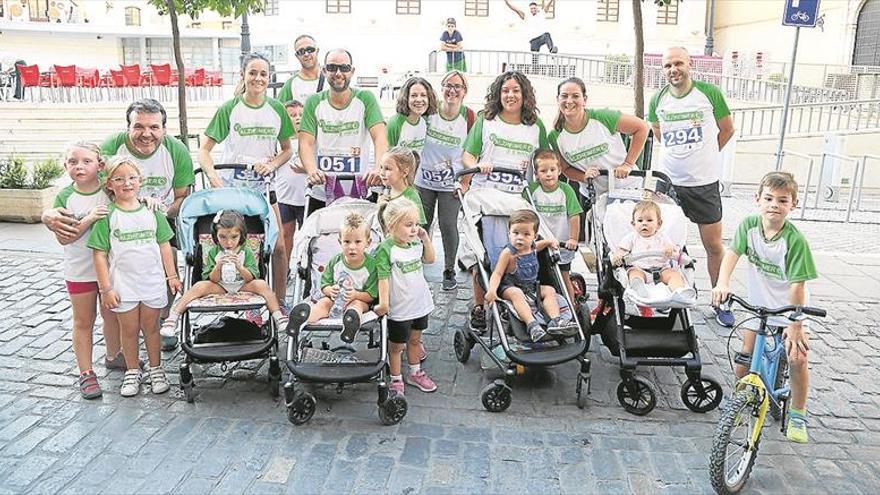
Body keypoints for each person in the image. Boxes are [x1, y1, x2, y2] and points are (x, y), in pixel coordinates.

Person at [42, 98, 195, 352]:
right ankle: (126, 337)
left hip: (159, 216)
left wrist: (153, 214)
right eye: (139, 127)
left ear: (164, 129)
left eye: (154, 127)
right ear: (128, 128)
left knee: (164, 264)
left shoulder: (176, 151)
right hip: (116, 221)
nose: (146, 134)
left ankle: (162, 321)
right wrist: (47, 213)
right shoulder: (112, 147)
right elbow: (85, 185)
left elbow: (182, 196)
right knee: (120, 276)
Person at [711, 172, 817, 443]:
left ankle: (797, 413)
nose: (774, 205)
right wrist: (722, 283)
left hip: (791, 308)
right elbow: (732, 254)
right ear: (757, 200)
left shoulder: (794, 241)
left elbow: (797, 287)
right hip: (758, 306)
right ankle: (739, 399)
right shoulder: (749, 227)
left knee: (797, 357)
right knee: (745, 354)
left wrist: (795, 323)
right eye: (768, 198)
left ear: (793, 204)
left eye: (783, 200)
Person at [648, 46, 735, 327]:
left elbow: (727, 129)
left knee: (713, 245)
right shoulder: (657, 99)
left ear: (689, 65)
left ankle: (721, 301)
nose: (673, 70)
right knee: (664, 245)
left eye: (678, 63)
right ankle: (666, 295)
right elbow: (659, 133)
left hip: (704, 183)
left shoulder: (709, 93)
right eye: (667, 65)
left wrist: (707, 156)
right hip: (670, 183)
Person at [199, 53, 294, 310]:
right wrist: (214, 177)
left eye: (263, 74)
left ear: (269, 78)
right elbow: (204, 150)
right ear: (243, 75)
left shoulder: (276, 109)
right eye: (252, 73)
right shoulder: (230, 109)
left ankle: (280, 300)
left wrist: (272, 163)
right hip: (234, 191)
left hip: (264, 188)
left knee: (279, 247)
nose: (258, 78)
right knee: (236, 241)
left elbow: (287, 149)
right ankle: (230, 293)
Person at [462, 70, 548, 331]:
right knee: (485, 253)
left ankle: (530, 297)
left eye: (516, 90)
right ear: (499, 94)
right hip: (486, 197)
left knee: (526, 249)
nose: (510, 95)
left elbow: (544, 159)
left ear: (524, 95)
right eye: (506, 90)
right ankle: (480, 306)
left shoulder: (535, 127)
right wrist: (478, 165)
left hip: (516, 200)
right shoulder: (486, 121)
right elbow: (467, 156)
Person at [87, 158, 181, 397]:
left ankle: (156, 369)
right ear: (109, 184)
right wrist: (105, 289)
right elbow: (99, 255)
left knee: (151, 328)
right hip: (123, 284)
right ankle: (132, 370)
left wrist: (171, 276)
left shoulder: (152, 211)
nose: (126, 183)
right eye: (119, 179)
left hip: (151, 281)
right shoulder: (107, 216)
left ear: (140, 181)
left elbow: (163, 246)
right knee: (128, 330)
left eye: (131, 178)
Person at [52, 142, 115, 398]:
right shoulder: (64, 197)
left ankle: (115, 354)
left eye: (86, 161)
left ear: (99, 164)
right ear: (65, 166)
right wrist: (89, 217)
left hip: (111, 269)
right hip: (80, 269)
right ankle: (86, 372)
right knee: (83, 321)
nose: (79, 166)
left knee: (112, 315)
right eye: (72, 161)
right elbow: (64, 238)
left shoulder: (109, 188)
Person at [161, 210, 289, 336]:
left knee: (261, 285)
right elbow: (212, 279)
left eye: (234, 237)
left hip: (242, 284)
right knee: (198, 287)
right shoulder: (214, 252)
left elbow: (251, 277)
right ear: (215, 236)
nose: (229, 242)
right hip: (220, 285)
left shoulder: (246, 252)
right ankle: (173, 317)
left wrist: (240, 267)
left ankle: (278, 315)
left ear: (241, 235)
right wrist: (218, 266)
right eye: (222, 237)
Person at [299, 48, 387, 212]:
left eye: (344, 68)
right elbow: (305, 142)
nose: (338, 73)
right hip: (321, 190)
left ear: (352, 71)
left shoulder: (365, 99)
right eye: (332, 68)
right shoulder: (314, 102)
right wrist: (312, 171)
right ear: (324, 71)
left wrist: (378, 168)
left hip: (359, 189)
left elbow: (380, 137)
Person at [416, 70, 475, 290]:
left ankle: (449, 269)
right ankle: (415, 266)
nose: (452, 90)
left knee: (449, 225)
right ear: (441, 88)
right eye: (448, 85)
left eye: (457, 86)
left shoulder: (469, 117)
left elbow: (473, 151)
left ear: (464, 91)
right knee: (421, 223)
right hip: (424, 181)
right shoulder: (429, 112)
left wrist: (466, 182)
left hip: (451, 184)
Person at [374, 198, 437, 395]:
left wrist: (425, 239)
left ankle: (415, 372)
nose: (414, 229)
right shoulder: (386, 249)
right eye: (409, 225)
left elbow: (430, 259)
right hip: (400, 308)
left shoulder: (415, 243)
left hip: (419, 304)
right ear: (392, 225)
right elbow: (382, 278)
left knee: (416, 340)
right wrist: (384, 303)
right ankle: (396, 378)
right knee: (397, 346)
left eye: (416, 224)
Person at [550, 77, 649, 201]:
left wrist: (627, 164)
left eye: (575, 96)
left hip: (627, 189)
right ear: (557, 100)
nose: (569, 101)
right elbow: (566, 169)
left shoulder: (602, 117)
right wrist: (583, 176)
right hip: (594, 196)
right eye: (564, 96)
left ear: (584, 100)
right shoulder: (555, 136)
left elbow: (642, 127)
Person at [288, 212, 377, 343]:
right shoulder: (335, 262)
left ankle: (350, 324)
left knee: (357, 305)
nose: (352, 247)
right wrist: (330, 290)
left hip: (359, 300)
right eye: (347, 242)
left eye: (358, 242)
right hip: (334, 300)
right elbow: (324, 284)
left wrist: (355, 295)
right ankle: (302, 319)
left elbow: (372, 295)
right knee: (323, 303)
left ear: (368, 243)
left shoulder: (371, 266)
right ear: (340, 242)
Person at [485, 209, 563, 343]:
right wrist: (492, 290)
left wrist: (550, 241)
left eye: (526, 234)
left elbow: (540, 245)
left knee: (550, 290)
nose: (520, 237)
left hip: (531, 287)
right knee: (516, 293)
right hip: (509, 286)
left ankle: (555, 322)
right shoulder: (508, 253)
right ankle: (532, 325)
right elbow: (497, 273)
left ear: (534, 236)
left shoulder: (532, 247)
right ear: (509, 233)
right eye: (515, 233)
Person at [611, 200, 695, 312]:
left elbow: (672, 247)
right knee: (633, 273)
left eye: (649, 220)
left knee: (674, 274)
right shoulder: (632, 237)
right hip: (641, 269)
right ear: (633, 224)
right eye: (640, 221)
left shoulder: (662, 237)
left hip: (662, 270)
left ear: (659, 224)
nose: (644, 224)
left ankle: (679, 292)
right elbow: (621, 249)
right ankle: (639, 288)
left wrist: (669, 249)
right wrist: (618, 255)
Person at [522, 149, 582, 302]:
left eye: (552, 170)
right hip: (539, 242)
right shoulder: (531, 191)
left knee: (563, 276)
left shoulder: (566, 190)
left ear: (559, 171)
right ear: (536, 173)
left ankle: (571, 304)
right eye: (543, 171)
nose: (548, 174)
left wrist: (573, 239)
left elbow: (574, 215)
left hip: (561, 242)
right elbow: (524, 216)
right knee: (536, 274)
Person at [276, 100, 306, 267]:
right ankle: (284, 268)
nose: (297, 118)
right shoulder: (280, 142)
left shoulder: (310, 141)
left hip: (306, 197)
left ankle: (305, 266)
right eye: (293, 115)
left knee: (306, 235)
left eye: (301, 115)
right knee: (286, 233)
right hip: (284, 196)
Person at [378, 146, 427, 226]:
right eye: (381, 167)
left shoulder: (411, 197)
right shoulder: (387, 193)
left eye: (387, 169)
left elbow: (417, 228)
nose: (382, 173)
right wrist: (381, 208)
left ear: (404, 172)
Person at [386, 77, 436, 151]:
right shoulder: (394, 124)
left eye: (423, 95)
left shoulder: (424, 122)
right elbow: (384, 157)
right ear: (406, 98)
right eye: (414, 95)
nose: (419, 100)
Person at [277, 34, 324, 103]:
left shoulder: (331, 79)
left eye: (310, 49)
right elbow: (279, 111)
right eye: (301, 51)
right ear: (297, 56)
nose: (306, 54)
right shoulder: (291, 85)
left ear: (317, 51)